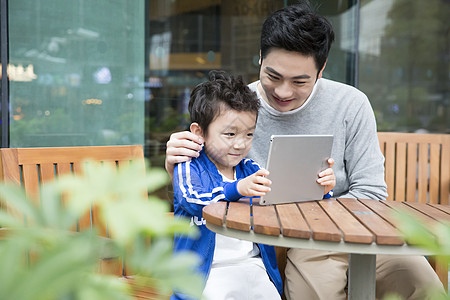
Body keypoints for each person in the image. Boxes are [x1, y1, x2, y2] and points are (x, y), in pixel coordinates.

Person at [166, 2, 445, 300]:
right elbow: (205, 187)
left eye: (300, 81)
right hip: (304, 244)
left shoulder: (351, 104)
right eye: (273, 76)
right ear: (260, 58)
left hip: (366, 232)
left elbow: (372, 191)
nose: (283, 92)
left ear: (321, 69)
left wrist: (322, 203)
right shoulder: (236, 111)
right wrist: (177, 165)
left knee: (425, 288)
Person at [171, 70, 336, 300]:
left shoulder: (249, 168)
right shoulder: (190, 167)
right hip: (207, 274)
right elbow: (193, 200)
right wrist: (236, 189)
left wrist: (320, 188)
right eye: (230, 134)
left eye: (249, 134)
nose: (240, 144)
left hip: (253, 265)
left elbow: (284, 196)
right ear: (200, 132)